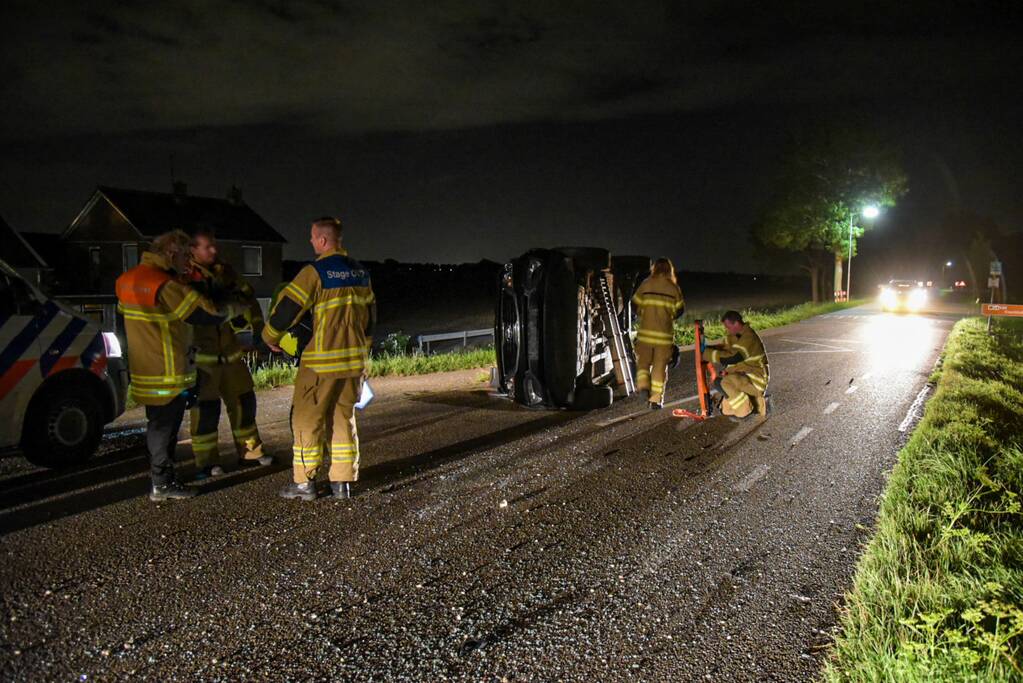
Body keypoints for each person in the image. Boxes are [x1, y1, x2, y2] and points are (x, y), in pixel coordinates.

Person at [116, 230, 237, 501]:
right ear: (171, 252)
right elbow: (205, 314)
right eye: (185, 255)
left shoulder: (126, 280)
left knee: (158, 423)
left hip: (144, 369)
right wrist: (232, 306)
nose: (188, 261)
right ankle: (162, 484)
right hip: (167, 370)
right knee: (164, 428)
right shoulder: (165, 285)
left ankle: (165, 479)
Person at [262, 217, 376, 500]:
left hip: (321, 363)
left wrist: (269, 337)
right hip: (353, 363)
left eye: (313, 238)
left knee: (307, 421)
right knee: (343, 419)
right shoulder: (361, 273)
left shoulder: (316, 271)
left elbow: (288, 309)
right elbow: (371, 318)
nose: (311, 243)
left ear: (323, 240)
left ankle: (304, 483)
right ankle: (342, 483)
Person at [186, 227, 273, 480]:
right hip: (203, 358)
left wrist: (258, 329)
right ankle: (207, 462)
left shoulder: (225, 273)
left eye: (214, 245)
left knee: (245, 403)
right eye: (207, 247)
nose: (214, 250)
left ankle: (251, 453)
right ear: (192, 250)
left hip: (231, 353)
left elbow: (249, 300)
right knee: (206, 411)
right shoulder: (185, 277)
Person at [632, 258, 685, 409]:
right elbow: (680, 310)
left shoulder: (646, 283)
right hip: (664, 336)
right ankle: (655, 401)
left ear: (654, 269)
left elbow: (635, 304)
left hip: (646, 334)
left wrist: (644, 313)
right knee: (660, 368)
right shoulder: (673, 288)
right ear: (670, 270)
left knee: (643, 363)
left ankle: (643, 387)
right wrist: (668, 316)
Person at [703, 310, 770, 420]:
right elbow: (725, 349)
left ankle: (746, 410)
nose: (727, 330)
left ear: (736, 323)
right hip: (745, 375)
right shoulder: (736, 336)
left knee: (724, 382)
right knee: (725, 409)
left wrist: (706, 354)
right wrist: (709, 349)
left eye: (728, 327)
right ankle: (755, 405)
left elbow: (733, 357)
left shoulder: (749, 337)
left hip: (755, 379)